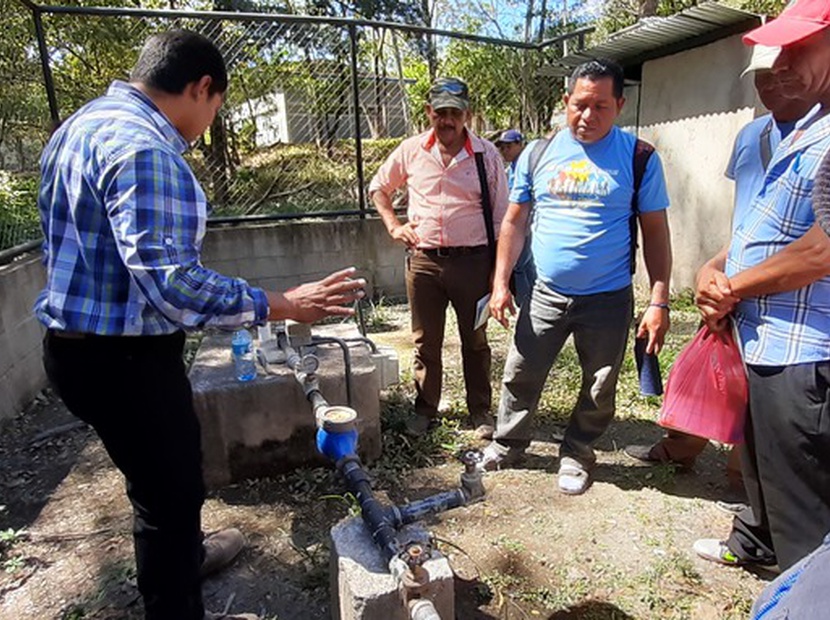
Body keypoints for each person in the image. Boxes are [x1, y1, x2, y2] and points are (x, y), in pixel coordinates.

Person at [36, 30, 365, 620]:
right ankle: (176, 605)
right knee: (168, 494)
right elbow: (175, 286)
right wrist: (282, 301)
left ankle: (185, 556)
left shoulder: (81, 126)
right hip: (125, 362)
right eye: (215, 108)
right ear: (201, 87)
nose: (210, 122)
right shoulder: (147, 152)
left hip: (75, 351)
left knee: (162, 478)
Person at [624, 44, 814, 514]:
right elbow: (748, 213)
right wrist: (715, 268)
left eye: (779, 75)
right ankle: (681, 447)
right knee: (711, 367)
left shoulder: (819, 139)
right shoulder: (752, 137)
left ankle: (743, 479)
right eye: (760, 78)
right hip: (735, 280)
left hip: (793, 293)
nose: (769, 86)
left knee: (761, 384)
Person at [480, 59, 673, 496]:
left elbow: (657, 234)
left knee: (600, 383)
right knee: (520, 371)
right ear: (565, 101)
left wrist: (658, 300)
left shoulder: (639, 158)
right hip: (545, 292)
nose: (588, 116)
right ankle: (509, 442)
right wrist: (500, 281)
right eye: (580, 105)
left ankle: (577, 453)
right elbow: (513, 222)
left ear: (620, 105)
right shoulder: (537, 153)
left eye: (601, 106)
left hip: (608, 298)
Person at [692, 0, 830, 571]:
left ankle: (801, 594)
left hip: (803, 348)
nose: (783, 63)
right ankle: (758, 543)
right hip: (764, 338)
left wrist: (736, 287)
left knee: (805, 505)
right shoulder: (805, 128)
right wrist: (713, 269)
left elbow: (824, 248)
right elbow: (764, 224)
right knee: (762, 464)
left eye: (800, 48)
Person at [369, 77, 509, 439]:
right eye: (440, 112)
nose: (447, 120)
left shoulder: (486, 155)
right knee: (425, 341)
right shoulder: (411, 150)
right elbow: (378, 189)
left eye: (454, 113)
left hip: (473, 263)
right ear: (429, 112)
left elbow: (501, 217)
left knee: (475, 341)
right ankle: (424, 410)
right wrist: (394, 226)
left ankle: (480, 411)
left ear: (468, 115)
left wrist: (498, 276)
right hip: (424, 264)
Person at [495, 129, 536, 308]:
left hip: (524, 224)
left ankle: (525, 305)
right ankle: (532, 302)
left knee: (519, 265)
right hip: (518, 224)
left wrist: (526, 224)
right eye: (502, 147)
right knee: (526, 265)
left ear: (520, 144)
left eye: (509, 146)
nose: (505, 151)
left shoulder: (527, 165)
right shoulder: (512, 167)